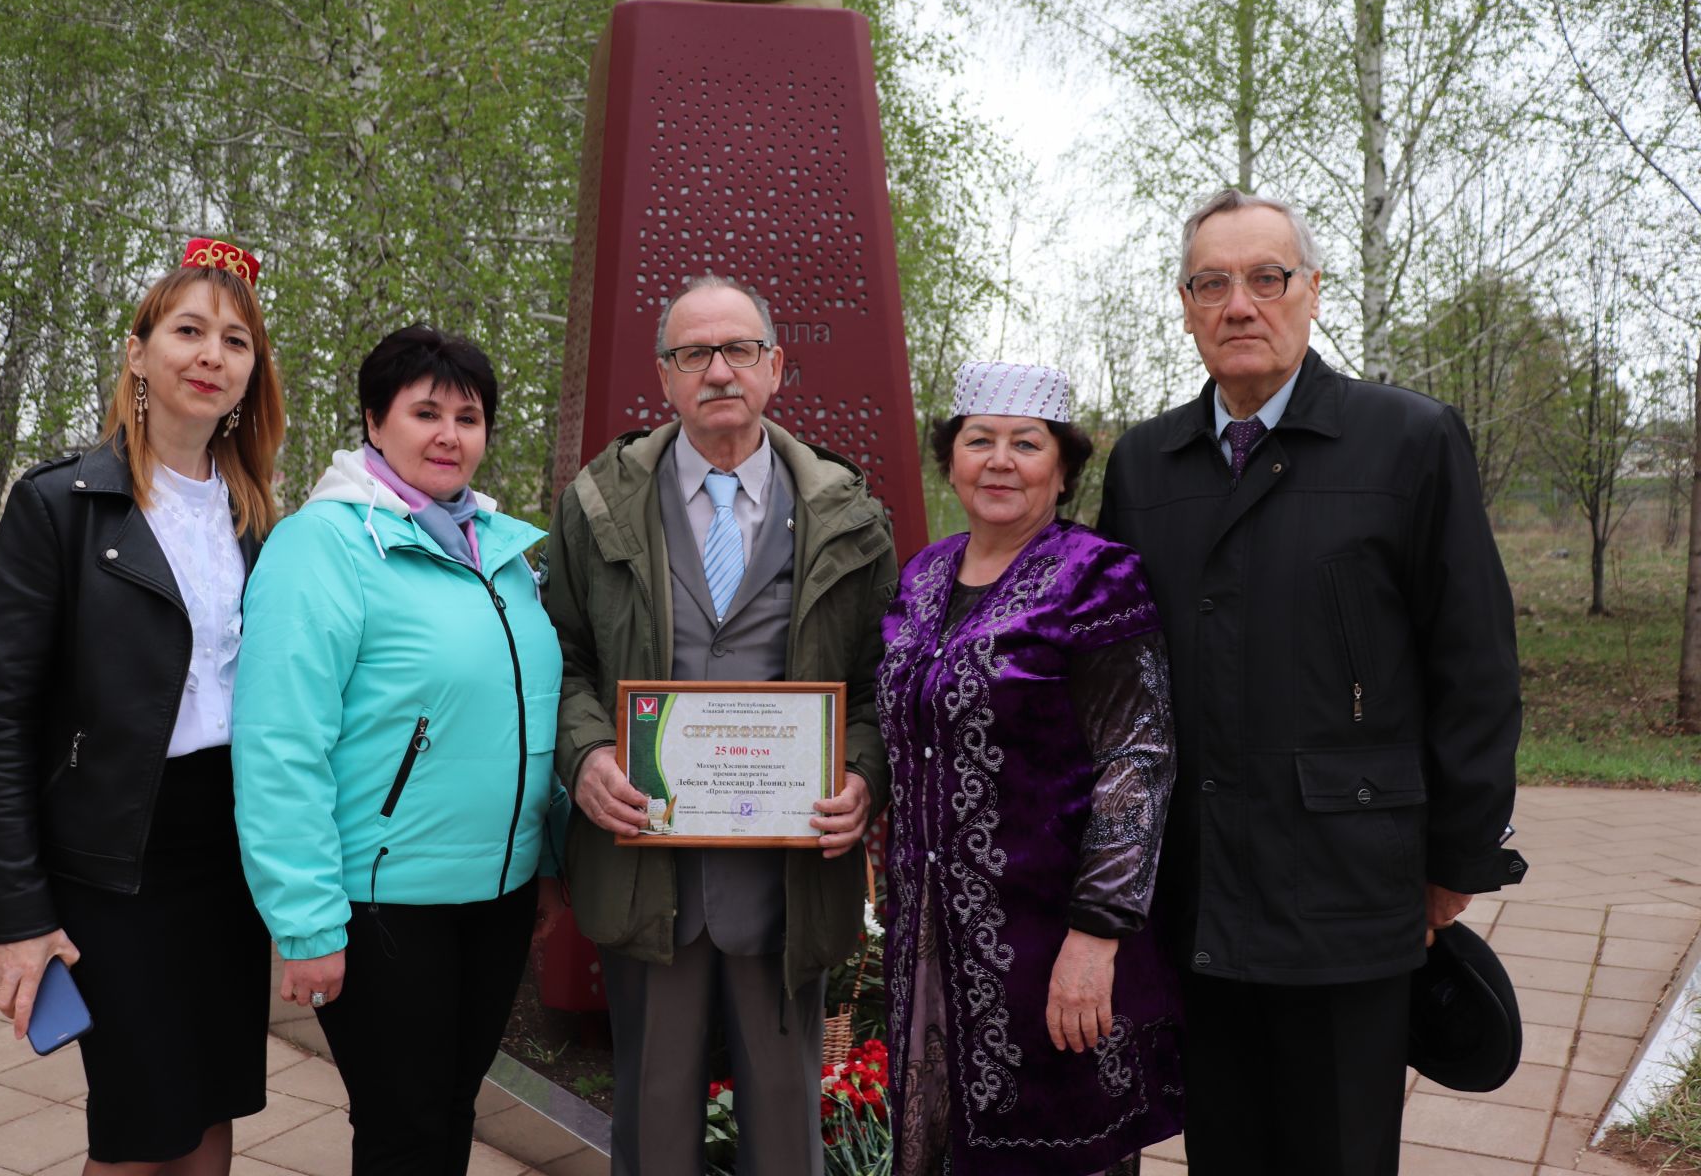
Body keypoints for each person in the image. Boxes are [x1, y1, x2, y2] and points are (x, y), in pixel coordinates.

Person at [1097, 189, 1528, 1176]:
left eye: (1267, 278)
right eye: (1214, 282)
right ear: (1185, 302)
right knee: (1228, 1151)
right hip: (1197, 894)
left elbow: (1474, 663)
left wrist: (1457, 857)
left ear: (1313, 292)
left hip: (1351, 891)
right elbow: (1118, 677)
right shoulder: (1145, 464)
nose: (1240, 303)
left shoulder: (1408, 443)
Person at [543, 275, 897, 1175]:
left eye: (739, 350)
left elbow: (877, 683)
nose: (719, 371)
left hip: (788, 881)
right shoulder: (598, 505)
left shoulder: (850, 517)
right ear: (664, 377)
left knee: (786, 1135)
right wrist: (584, 757)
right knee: (653, 1130)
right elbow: (561, 657)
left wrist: (861, 775)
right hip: (648, 874)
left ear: (776, 367)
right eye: (693, 353)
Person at [0, 237, 285, 1175]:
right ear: (138, 353)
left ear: (250, 372)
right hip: (117, 864)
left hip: (232, 855)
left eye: (234, 339)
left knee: (214, 1102)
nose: (210, 355)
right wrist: (16, 912)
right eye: (187, 330)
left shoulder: (260, 518)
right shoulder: (61, 506)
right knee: (142, 1126)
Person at [231, 325, 566, 1176]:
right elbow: (279, 745)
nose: (450, 435)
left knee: (449, 1108)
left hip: (496, 897)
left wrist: (549, 861)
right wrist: (306, 923)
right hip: (386, 904)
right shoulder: (324, 546)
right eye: (426, 412)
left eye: (470, 416)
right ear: (375, 422)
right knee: (403, 1129)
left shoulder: (502, 550)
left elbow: (527, 711)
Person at [877, 361, 1183, 1176]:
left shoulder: (1098, 576)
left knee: (1059, 1147)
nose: (1000, 461)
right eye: (980, 441)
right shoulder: (924, 574)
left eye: (1026, 443)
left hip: (1055, 937)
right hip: (933, 939)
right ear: (952, 461)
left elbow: (1138, 759)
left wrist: (1098, 933)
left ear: (1063, 466)